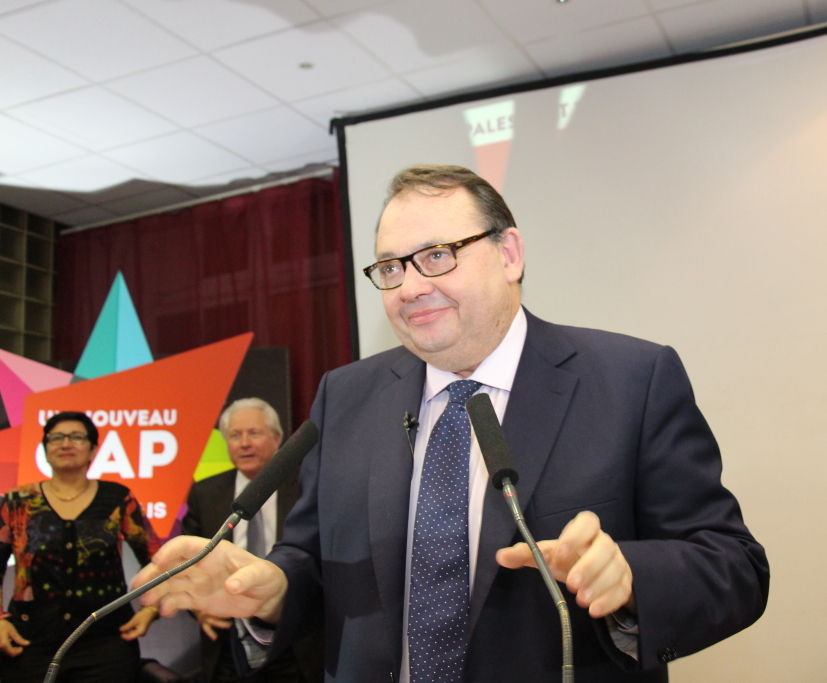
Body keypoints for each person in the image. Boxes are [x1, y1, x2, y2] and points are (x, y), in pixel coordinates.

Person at [136, 165, 770, 682]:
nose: (409, 288)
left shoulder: (631, 378)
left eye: (436, 256)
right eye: (390, 268)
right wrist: (271, 587)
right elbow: (312, 557)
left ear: (509, 253)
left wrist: (631, 577)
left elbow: (734, 565)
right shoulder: (347, 394)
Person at [0, 411, 160, 683]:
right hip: (29, 645)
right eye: (56, 438)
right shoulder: (18, 501)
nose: (66, 444)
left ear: (93, 450)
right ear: (45, 449)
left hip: (105, 645)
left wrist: (151, 609)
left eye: (76, 437)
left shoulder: (118, 498)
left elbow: (158, 560)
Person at [181, 398, 322, 683]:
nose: (244, 443)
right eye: (235, 435)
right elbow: (188, 564)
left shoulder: (309, 487)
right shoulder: (205, 493)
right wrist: (198, 610)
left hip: (298, 642)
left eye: (254, 433)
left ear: (277, 438)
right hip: (227, 645)